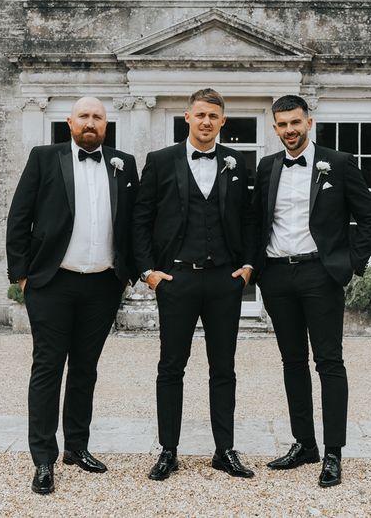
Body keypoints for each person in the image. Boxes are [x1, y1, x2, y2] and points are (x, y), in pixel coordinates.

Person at [6, 97, 139, 495]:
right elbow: (19, 217)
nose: (90, 123)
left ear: (106, 124)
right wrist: (22, 277)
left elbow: (134, 220)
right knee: (48, 369)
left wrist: (128, 273)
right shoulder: (44, 158)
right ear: (69, 122)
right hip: (52, 283)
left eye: (97, 117)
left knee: (86, 369)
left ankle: (77, 447)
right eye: (84, 116)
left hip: (102, 285)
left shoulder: (123, 163)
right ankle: (43, 458)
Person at [251, 95, 371, 488]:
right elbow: (256, 220)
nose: (289, 130)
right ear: (275, 128)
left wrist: (349, 265)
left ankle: (333, 453)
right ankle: (304, 444)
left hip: (320, 276)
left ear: (309, 122)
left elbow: (367, 216)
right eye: (282, 124)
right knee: (292, 362)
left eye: (295, 122)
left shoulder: (337, 164)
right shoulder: (267, 166)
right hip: (276, 277)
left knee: (329, 362)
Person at [133, 88, 256, 481]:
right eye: (200, 115)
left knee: (224, 368)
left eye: (214, 116)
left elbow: (251, 219)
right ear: (187, 117)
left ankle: (224, 450)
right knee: (171, 366)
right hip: (177, 278)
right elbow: (141, 219)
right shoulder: (160, 161)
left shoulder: (238, 163)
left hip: (224, 279)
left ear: (222, 122)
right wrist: (149, 272)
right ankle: (169, 450)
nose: (206, 122)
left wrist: (248, 266)